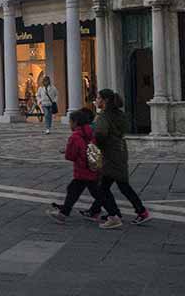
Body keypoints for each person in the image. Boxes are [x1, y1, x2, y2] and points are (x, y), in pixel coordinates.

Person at [82, 89, 152, 227]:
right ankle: (95, 211)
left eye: (98, 98)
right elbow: (125, 127)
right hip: (119, 150)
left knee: (114, 186)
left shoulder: (103, 116)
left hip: (110, 154)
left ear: (105, 100)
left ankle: (137, 212)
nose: (96, 100)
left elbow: (101, 133)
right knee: (107, 185)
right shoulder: (119, 114)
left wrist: (95, 141)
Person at [47, 109, 119, 226]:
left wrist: (66, 151)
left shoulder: (75, 136)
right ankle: (63, 213)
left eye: (70, 122)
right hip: (92, 167)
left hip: (82, 170)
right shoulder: (90, 132)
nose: (70, 124)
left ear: (75, 122)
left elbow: (71, 155)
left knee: (93, 193)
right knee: (74, 190)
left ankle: (114, 215)